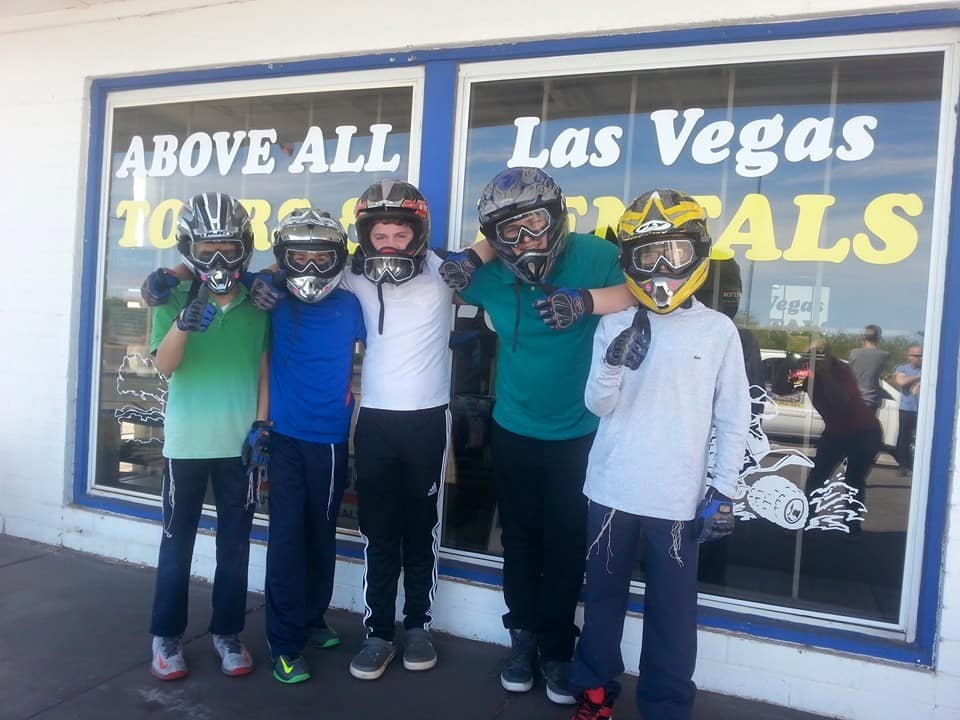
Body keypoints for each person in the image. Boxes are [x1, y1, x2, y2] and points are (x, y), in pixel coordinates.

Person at [567, 189, 750, 720]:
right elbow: (598, 405)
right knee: (602, 601)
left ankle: (666, 709)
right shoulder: (614, 323)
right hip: (612, 489)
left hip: (677, 496)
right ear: (630, 261)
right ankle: (594, 694)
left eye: (675, 252)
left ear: (698, 254)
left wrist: (724, 489)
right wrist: (613, 364)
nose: (662, 268)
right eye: (648, 255)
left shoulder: (717, 330)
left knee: (672, 614)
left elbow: (733, 416)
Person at [444, 167, 623, 705]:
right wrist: (474, 255)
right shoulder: (490, 274)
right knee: (519, 539)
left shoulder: (592, 255)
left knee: (566, 544)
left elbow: (643, 290)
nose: (526, 241)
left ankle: (557, 648)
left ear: (558, 217)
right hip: (515, 427)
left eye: (536, 225)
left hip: (580, 431)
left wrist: (585, 301)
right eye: (510, 233)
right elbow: (409, 269)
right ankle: (520, 639)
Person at [145, 191, 269, 681]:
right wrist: (182, 322)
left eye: (228, 248)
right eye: (207, 249)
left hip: (239, 445)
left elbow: (264, 366)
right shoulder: (171, 297)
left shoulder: (258, 302)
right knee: (177, 545)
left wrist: (262, 424)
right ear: (189, 250)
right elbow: (163, 366)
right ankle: (166, 636)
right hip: (187, 444)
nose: (218, 259)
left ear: (244, 248)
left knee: (235, 547)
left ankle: (228, 633)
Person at [259, 210, 365, 684]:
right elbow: (231, 283)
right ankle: (283, 643)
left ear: (338, 258)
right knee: (287, 539)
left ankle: (312, 617)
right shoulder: (272, 300)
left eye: (321, 258)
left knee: (322, 533)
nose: (310, 267)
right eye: (298, 258)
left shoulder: (351, 304)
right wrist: (263, 278)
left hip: (332, 439)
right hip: (284, 436)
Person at [772, 338, 881, 505]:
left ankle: (851, 520)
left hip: (864, 432)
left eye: (819, 354)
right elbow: (779, 389)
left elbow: (840, 401)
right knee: (817, 478)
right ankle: (808, 515)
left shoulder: (841, 370)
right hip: (835, 433)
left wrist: (825, 374)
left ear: (828, 355)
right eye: (811, 354)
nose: (815, 358)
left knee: (853, 480)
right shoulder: (807, 375)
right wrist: (789, 363)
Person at [893, 344, 922, 474]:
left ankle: (916, 465)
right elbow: (902, 382)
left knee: (918, 438)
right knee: (904, 437)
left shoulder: (927, 369)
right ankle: (903, 465)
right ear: (909, 356)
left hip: (921, 410)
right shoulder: (902, 368)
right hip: (907, 408)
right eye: (916, 356)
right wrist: (919, 376)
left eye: (921, 355)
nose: (919, 358)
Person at [848, 325, 890, 412]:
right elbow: (884, 375)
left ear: (864, 336)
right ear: (879, 337)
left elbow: (850, 372)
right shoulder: (884, 355)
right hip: (871, 399)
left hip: (853, 398)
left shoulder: (853, 353)